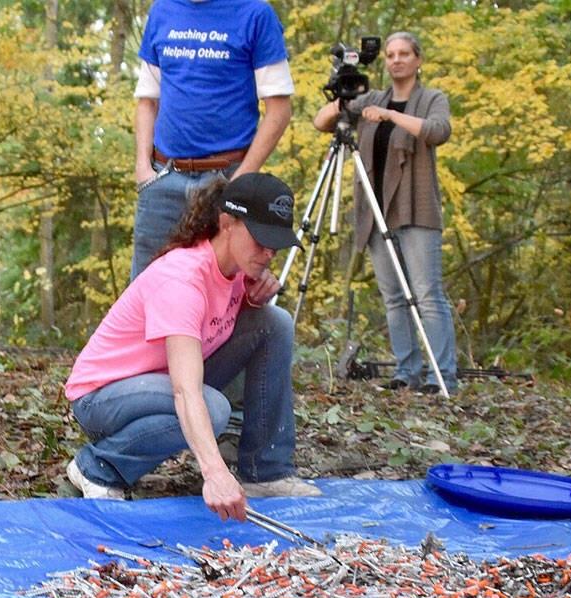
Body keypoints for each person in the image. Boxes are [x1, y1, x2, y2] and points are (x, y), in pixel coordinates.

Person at [65, 173, 321, 520]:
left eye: (276, 244)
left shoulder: (237, 270)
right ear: (227, 223)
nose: (268, 253)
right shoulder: (183, 279)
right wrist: (215, 473)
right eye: (261, 240)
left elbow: (220, 325)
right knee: (213, 409)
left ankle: (266, 470)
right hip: (102, 397)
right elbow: (186, 391)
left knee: (273, 322)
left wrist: (252, 299)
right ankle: (97, 466)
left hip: (157, 381)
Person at [314, 31, 457, 394]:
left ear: (418, 59)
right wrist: (343, 98)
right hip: (374, 209)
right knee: (393, 296)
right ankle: (406, 371)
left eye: (404, 53)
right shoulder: (371, 98)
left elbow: (439, 131)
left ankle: (442, 376)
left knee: (426, 294)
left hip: (414, 207)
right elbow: (320, 122)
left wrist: (391, 115)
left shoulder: (430, 99)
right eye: (391, 54)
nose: (396, 60)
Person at [130, 0, 294, 280]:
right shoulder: (161, 11)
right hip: (161, 179)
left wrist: (242, 178)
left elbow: (279, 109)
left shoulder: (255, 13)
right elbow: (147, 100)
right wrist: (143, 168)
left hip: (225, 179)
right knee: (146, 288)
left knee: (224, 290)